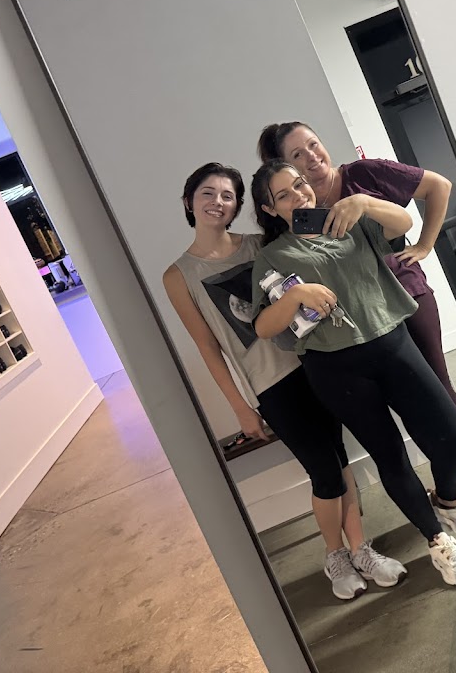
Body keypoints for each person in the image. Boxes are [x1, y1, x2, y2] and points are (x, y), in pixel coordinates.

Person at [163, 162, 406, 600]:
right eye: (208, 193)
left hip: (316, 361)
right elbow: (208, 347)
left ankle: (360, 550)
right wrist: (240, 408)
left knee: (340, 462)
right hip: (270, 384)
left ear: (240, 205)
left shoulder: (261, 245)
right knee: (324, 472)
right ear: (188, 202)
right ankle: (335, 555)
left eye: (228, 195)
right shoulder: (178, 276)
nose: (218, 202)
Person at [249, 161, 456, 586]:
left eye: (299, 184)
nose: (299, 195)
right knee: (390, 456)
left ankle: (448, 502)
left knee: (452, 435)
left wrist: (363, 202)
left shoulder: (348, 218)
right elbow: (264, 327)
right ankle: (438, 542)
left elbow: (403, 223)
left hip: (393, 341)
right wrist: (296, 295)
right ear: (270, 209)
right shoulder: (273, 255)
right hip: (335, 368)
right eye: (283, 194)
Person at [257, 122, 456, 509]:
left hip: (406, 292)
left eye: (313, 145)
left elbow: (438, 186)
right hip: (363, 320)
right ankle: (453, 483)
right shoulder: (301, 211)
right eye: (297, 155)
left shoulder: (362, 175)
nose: (311, 157)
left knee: (437, 385)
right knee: (409, 406)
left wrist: (424, 244)